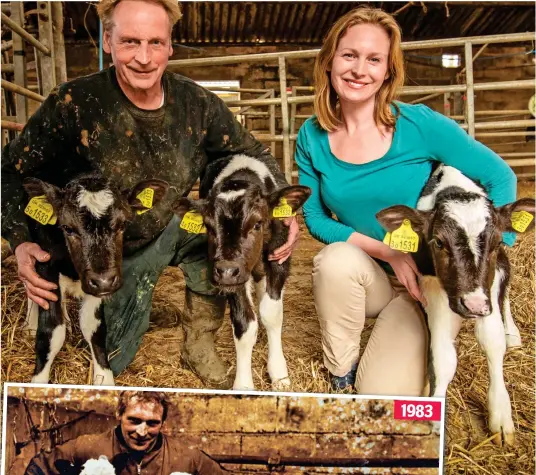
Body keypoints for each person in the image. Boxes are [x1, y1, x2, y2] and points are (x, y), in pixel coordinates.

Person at [1, 0, 299, 388]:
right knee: (117, 357)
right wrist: (20, 241)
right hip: (109, 249)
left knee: (220, 233)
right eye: (130, 42)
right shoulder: (74, 103)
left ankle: (199, 337)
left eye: (155, 42)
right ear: (107, 41)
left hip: (170, 222)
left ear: (170, 46)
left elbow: (256, 152)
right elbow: (10, 170)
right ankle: (136, 308)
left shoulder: (198, 105)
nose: (144, 57)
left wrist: (283, 214)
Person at [295, 7, 517, 395]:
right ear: (329, 61)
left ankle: (390, 355)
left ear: (387, 72)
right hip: (368, 272)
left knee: (384, 396)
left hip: (423, 283)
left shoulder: (419, 125)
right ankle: (340, 373)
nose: (359, 70)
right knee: (335, 261)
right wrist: (388, 252)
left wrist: (485, 257)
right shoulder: (312, 135)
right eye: (349, 55)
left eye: (374, 59)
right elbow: (313, 213)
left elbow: (500, 178)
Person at [10, 391, 228, 474]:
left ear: (163, 423)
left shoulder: (188, 458)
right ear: (119, 415)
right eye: (134, 421)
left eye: (152, 423)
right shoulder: (87, 447)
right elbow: (38, 468)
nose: (142, 432)